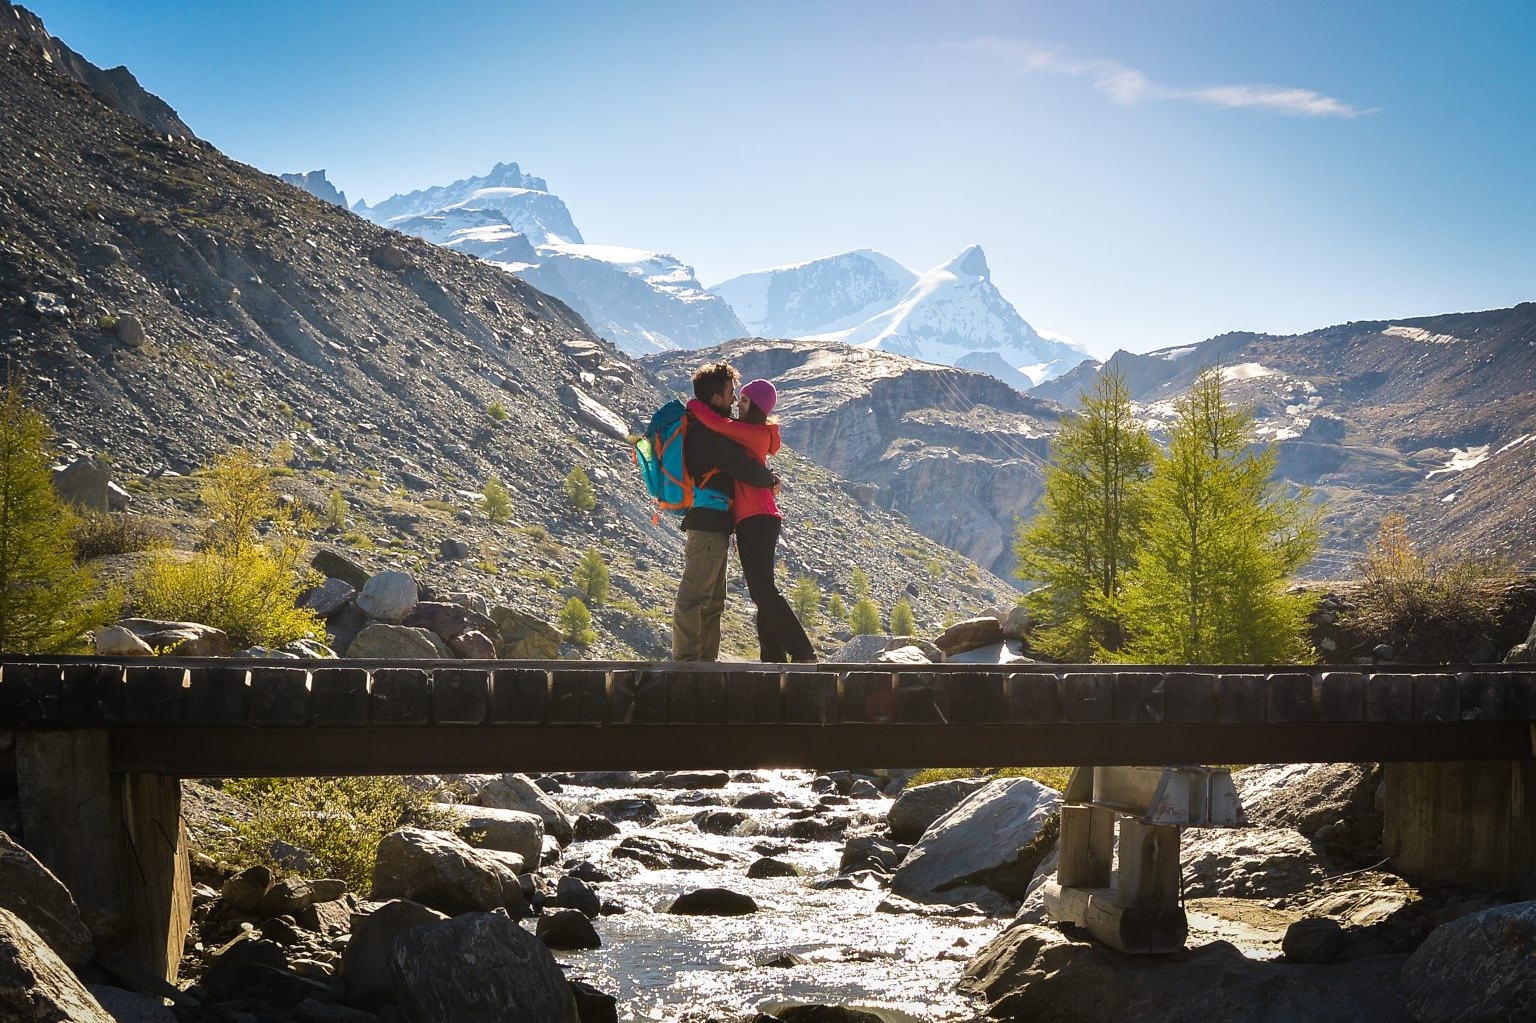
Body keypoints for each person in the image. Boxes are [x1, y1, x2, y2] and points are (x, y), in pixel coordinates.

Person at [687, 377, 817, 663]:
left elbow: (719, 425)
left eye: (744, 400)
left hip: (757, 516)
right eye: (738, 397)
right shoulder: (753, 432)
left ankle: (802, 650)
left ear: (756, 406)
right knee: (761, 590)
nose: (738, 404)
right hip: (755, 517)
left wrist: (695, 404)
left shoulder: (753, 432)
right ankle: (772, 658)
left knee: (764, 589)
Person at [672, 362, 779, 662]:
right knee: (695, 597)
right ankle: (688, 662)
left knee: (713, 600)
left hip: (715, 524)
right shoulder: (708, 433)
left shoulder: (703, 428)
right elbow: (745, 468)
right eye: (731, 394)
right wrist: (771, 481)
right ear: (716, 398)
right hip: (708, 524)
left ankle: (704, 662)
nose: (734, 401)